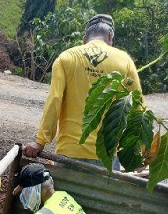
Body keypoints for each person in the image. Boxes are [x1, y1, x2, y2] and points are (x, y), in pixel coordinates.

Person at [23, 14, 142, 169]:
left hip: (70, 150)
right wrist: (139, 148)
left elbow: (54, 100)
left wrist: (40, 141)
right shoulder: (124, 61)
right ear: (110, 35)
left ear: (85, 38)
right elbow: (137, 107)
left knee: (66, 194)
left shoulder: (66, 58)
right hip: (107, 153)